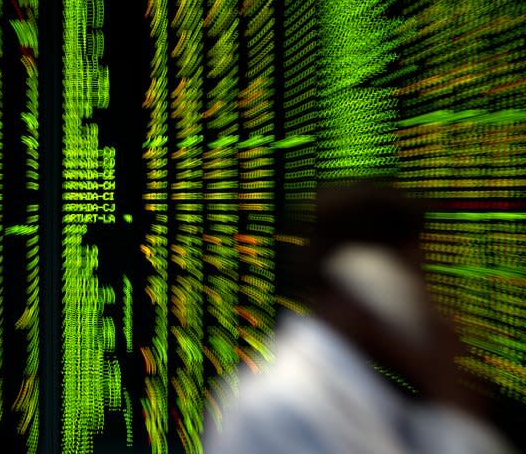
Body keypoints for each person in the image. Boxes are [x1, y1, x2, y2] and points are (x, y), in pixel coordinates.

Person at [203, 181, 517, 454]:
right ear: (368, 281)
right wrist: (454, 402)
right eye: (418, 279)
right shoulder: (287, 403)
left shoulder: (348, 392)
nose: (430, 303)